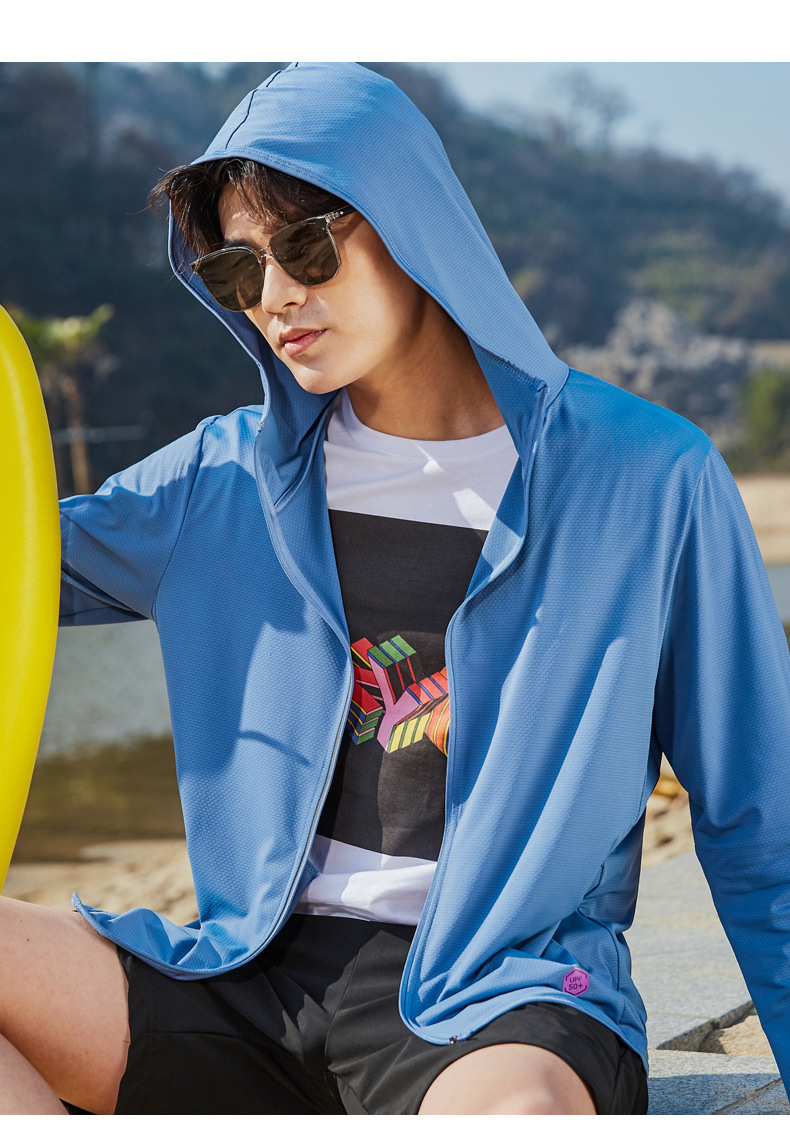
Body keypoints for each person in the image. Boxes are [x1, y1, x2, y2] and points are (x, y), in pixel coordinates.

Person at [1, 61, 789, 1116]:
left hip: (493, 998)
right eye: (238, 269)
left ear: (410, 221)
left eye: (306, 248)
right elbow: (19, 561)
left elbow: (759, 817)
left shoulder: (646, 478)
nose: (276, 296)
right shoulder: (221, 479)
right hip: (243, 975)